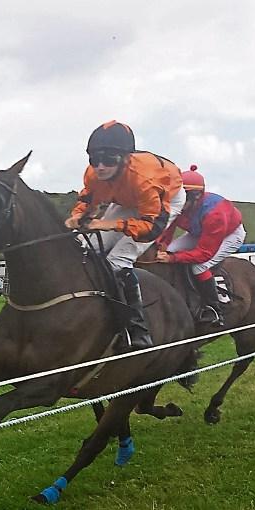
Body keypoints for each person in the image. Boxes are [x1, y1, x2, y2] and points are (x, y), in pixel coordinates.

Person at [64, 120, 185, 350]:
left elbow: (151, 227)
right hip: (127, 200)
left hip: (161, 203)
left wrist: (110, 225)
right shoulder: (93, 174)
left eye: (108, 159)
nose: (100, 166)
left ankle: (137, 327)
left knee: (116, 262)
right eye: (94, 159)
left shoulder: (146, 178)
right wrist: (78, 217)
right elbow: (87, 199)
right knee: (82, 247)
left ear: (126, 157)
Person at [155, 164, 245, 327]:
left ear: (196, 196)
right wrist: (160, 246)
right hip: (200, 231)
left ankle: (214, 308)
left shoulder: (214, 215)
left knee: (199, 266)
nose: (176, 200)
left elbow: (204, 253)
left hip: (230, 234)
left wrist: (173, 258)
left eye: (181, 196)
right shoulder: (181, 204)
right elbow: (168, 230)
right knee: (167, 251)